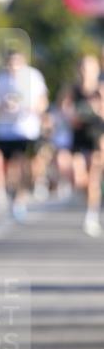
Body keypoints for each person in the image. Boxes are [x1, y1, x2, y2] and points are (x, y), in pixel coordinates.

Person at [0, 48, 48, 220]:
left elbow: (42, 100)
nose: (13, 67)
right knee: (10, 167)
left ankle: (21, 195)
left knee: (26, 166)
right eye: (10, 63)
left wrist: (32, 109)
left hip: (27, 130)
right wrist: (2, 106)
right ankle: (12, 196)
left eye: (16, 63)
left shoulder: (33, 77)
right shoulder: (0, 80)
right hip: (5, 131)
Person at [65, 54, 104, 236]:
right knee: (78, 176)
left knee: (94, 178)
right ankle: (87, 195)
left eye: (89, 68)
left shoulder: (100, 89)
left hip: (97, 137)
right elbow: (64, 109)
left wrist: (97, 109)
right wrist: (73, 115)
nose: (85, 72)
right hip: (79, 136)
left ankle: (91, 215)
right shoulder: (73, 89)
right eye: (82, 68)